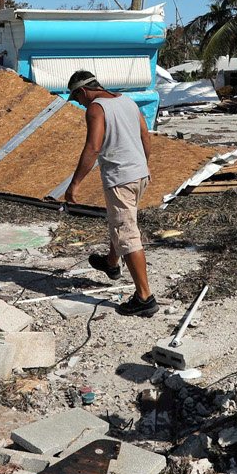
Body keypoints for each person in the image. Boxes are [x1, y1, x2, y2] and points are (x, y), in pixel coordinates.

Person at [64, 70, 157, 316]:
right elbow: (144, 135)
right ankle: (111, 263)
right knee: (120, 221)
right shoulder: (127, 101)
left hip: (120, 178)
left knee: (127, 234)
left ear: (82, 91)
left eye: (77, 99)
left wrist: (74, 184)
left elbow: (93, 147)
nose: (79, 103)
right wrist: (144, 166)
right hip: (139, 174)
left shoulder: (95, 109)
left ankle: (144, 298)